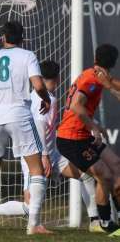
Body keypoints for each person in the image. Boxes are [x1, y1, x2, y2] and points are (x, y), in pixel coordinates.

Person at [0, 60, 103, 233]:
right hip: (35, 157)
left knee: (85, 175)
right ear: (58, 78)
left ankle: (95, 221)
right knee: (30, 207)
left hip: (52, 154)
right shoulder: (43, 99)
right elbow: (38, 128)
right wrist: (43, 156)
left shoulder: (44, 97)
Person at [0, 21, 52, 235]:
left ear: (2, 38)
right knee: (37, 169)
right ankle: (33, 224)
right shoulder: (27, 56)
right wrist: (46, 100)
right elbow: (37, 84)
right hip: (19, 115)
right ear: (22, 39)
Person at [57, 43, 120, 235]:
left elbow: (114, 87)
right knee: (105, 176)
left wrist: (109, 85)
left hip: (83, 136)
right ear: (114, 62)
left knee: (116, 165)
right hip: (71, 139)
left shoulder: (95, 76)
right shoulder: (91, 79)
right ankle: (104, 223)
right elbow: (76, 106)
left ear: (95, 58)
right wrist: (95, 128)